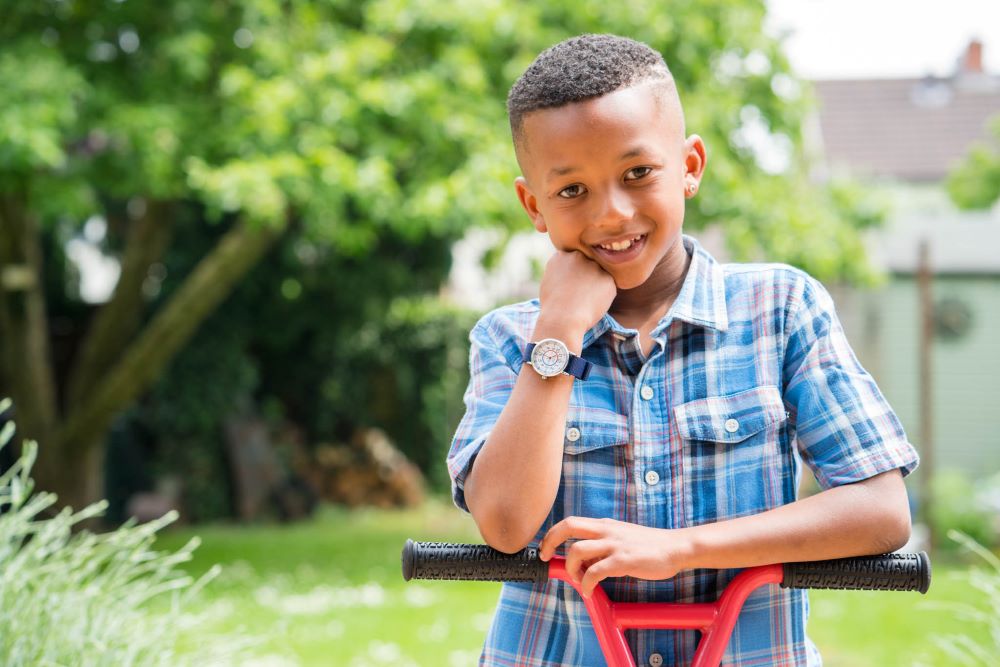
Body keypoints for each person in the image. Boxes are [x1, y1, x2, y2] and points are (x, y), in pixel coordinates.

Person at [446, 34, 918, 666]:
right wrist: (557, 333)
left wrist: (680, 548)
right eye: (572, 191)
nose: (612, 214)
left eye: (637, 173)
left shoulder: (780, 309)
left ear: (690, 166)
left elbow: (880, 511)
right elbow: (505, 526)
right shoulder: (509, 339)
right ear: (534, 205)